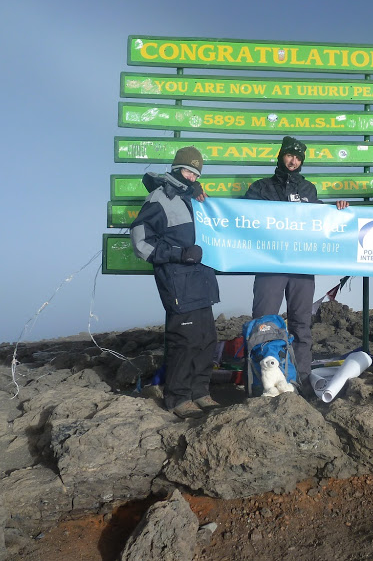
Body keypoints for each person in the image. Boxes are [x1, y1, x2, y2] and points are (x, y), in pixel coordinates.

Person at [243, 136, 348, 391]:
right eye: (290, 155)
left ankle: (299, 380)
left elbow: (318, 219)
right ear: (281, 156)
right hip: (270, 265)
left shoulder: (308, 189)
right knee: (264, 322)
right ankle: (261, 382)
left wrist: (336, 209)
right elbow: (242, 217)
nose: (293, 161)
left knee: (302, 324)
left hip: (301, 267)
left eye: (298, 157)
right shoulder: (261, 187)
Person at [130, 146, 221, 418]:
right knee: (184, 341)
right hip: (178, 283)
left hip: (202, 282)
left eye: (196, 174)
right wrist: (178, 255)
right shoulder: (159, 198)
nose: (192, 177)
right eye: (187, 171)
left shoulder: (193, 198)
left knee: (206, 339)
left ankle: (200, 392)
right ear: (175, 168)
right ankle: (178, 398)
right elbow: (140, 242)